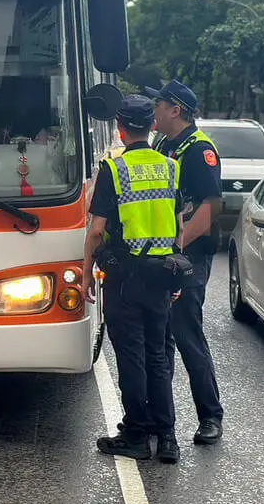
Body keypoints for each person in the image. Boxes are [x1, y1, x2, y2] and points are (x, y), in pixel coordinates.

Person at [84, 94, 185, 463]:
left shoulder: (114, 170)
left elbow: (96, 232)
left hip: (125, 277)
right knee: (157, 355)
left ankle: (137, 436)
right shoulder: (170, 167)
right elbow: (177, 226)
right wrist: (175, 276)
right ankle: (168, 437)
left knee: (131, 358)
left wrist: (84, 278)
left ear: (119, 127)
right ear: (152, 125)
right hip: (161, 274)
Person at [144, 79, 225, 446]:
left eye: (158, 105)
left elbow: (209, 210)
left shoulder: (199, 150)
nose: (153, 111)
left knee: (186, 333)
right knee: (159, 338)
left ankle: (210, 416)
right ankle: (159, 420)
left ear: (175, 109)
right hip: (163, 254)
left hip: (188, 256)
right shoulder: (164, 143)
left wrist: (177, 247)